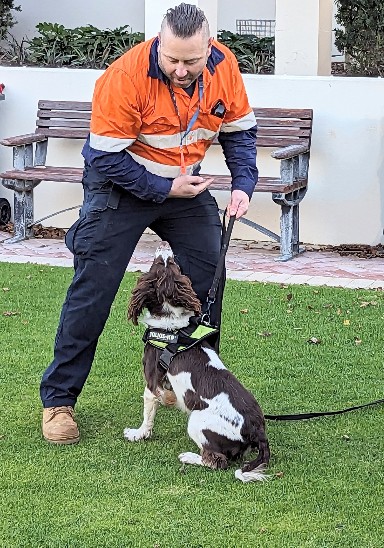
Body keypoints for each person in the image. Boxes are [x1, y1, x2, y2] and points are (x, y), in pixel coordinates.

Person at [40, 3, 259, 445]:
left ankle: (197, 384)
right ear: (159, 44)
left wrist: (243, 184)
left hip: (183, 187)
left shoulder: (225, 67)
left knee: (207, 279)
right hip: (121, 183)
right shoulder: (124, 77)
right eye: (171, 59)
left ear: (209, 48)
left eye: (191, 61)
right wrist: (163, 190)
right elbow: (103, 156)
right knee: (93, 290)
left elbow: (239, 130)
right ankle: (58, 401)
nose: (181, 69)